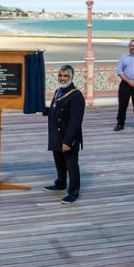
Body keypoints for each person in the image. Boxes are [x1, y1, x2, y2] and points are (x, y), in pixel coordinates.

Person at [43, 65, 85, 205]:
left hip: (68, 136)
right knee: (59, 162)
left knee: (71, 164)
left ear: (72, 77)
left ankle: (73, 192)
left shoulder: (76, 96)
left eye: (65, 76)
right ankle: (60, 183)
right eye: (60, 75)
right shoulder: (58, 91)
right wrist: (43, 109)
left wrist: (68, 141)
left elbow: (75, 121)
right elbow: (57, 110)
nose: (62, 78)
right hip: (57, 135)